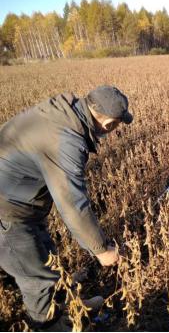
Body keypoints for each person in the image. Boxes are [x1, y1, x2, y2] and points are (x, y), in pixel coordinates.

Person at [0, 85, 133, 330]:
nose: (114, 131)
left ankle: (74, 307)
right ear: (107, 123)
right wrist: (102, 250)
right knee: (38, 281)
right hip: (7, 213)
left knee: (50, 260)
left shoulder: (66, 113)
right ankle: (51, 325)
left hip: (22, 205)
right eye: (116, 125)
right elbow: (73, 203)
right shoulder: (66, 139)